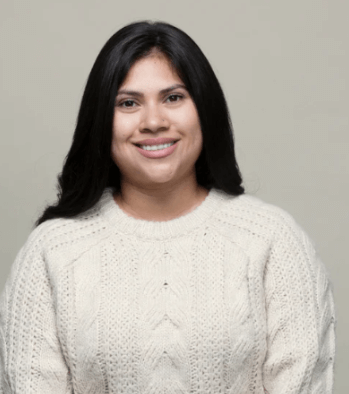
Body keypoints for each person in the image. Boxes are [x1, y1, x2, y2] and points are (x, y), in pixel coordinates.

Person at [0, 20, 335, 394]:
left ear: (204, 109)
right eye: (128, 103)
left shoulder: (273, 241)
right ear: (101, 121)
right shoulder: (51, 252)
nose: (154, 122)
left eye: (173, 97)